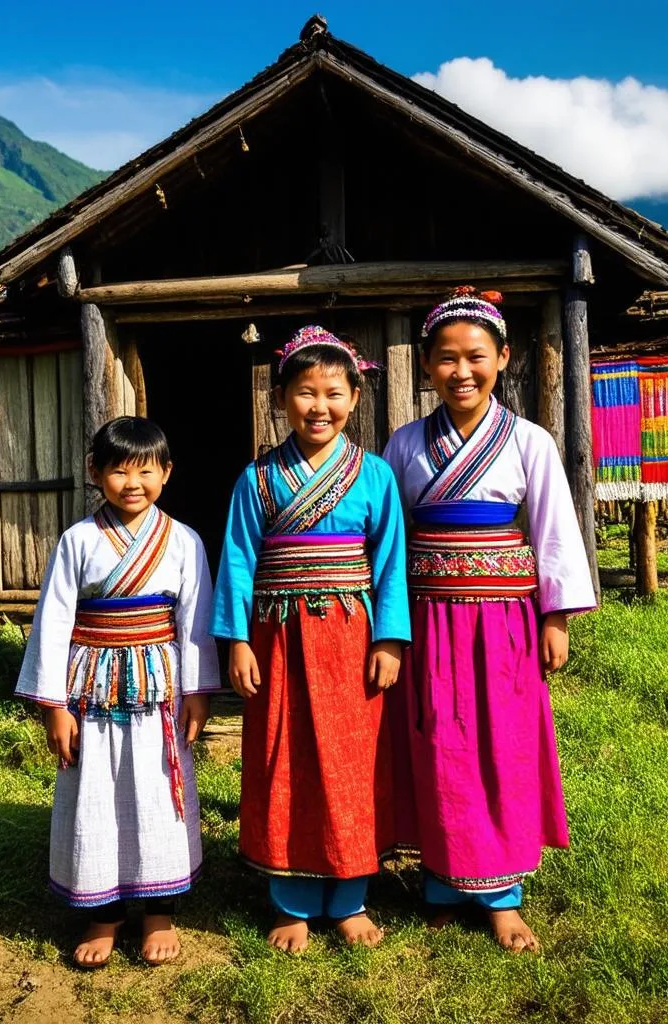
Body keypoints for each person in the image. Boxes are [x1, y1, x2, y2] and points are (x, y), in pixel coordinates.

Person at [382, 288, 596, 952]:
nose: (462, 371)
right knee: (440, 743)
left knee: (503, 745)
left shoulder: (529, 440)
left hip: (504, 620)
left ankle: (502, 895)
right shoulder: (404, 444)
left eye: (476, 356)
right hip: (428, 618)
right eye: (446, 359)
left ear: (503, 357)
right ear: (425, 367)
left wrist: (555, 616)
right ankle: (445, 880)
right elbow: (388, 535)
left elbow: (554, 529)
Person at [211, 325, 410, 954]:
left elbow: (390, 563)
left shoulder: (375, 476)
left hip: (353, 637)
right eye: (303, 393)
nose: (317, 406)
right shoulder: (256, 480)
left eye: (331, 392)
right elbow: (238, 561)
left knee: (354, 758)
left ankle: (349, 894)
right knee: (284, 756)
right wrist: (237, 641)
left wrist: (391, 639)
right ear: (279, 398)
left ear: (355, 397)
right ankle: (290, 898)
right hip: (278, 637)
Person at [15, 416, 220, 968]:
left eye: (146, 470)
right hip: (91, 692)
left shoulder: (183, 540)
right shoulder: (77, 541)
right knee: (95, 793)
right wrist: (54, 706)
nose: (133, 482)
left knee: (157, 795)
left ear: (167, 473)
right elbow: (54, 623)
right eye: (119, 470)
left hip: (160, 692)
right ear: (95, 473)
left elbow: (195, 621)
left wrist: (199, 693)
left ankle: (159, 909)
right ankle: (103, 913)